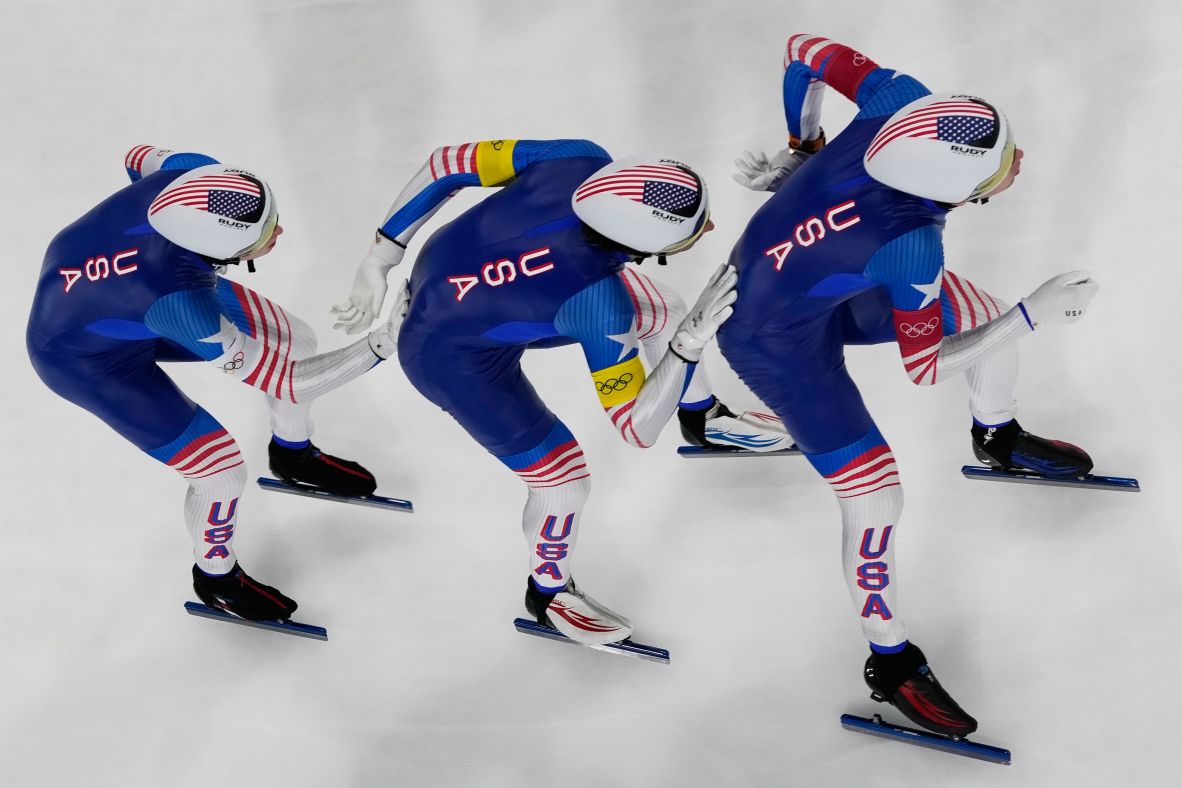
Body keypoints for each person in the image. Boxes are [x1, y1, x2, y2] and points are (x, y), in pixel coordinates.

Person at [721, 35, 1099, 736]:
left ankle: (998, 435)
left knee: (975, 309)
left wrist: (803, 151)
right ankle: (890, 664)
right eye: (995, 173)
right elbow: (926, 368)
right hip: (770, 338)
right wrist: (1032, 314)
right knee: (876, 493)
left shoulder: (901, 99)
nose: (1019, 164)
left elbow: (802, 50)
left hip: (814, 278)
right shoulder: (912, 245)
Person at [331, 139, 737, 644]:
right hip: (450, 360)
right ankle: (548, 593)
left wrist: (381, 256)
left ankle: (701, 415)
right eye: (695, 228)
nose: (711, 227)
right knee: (563, 481)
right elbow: (637, 427)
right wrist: (688, 346)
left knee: (662, 307)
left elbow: (446, 164)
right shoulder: (598, 301)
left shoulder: (579, 159)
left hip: (451, 282)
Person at [27, 146, 403, 623]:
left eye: (273, 219)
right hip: (84, 360)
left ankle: (292, 452)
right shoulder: (182, 303)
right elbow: (289, 384)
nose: (279, 232)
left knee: (297, 340)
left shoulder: (193, 170)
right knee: (221, 472)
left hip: (118, 299)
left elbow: (136, 156)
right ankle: (217, 578)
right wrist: (382, 343)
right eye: (262, 235)